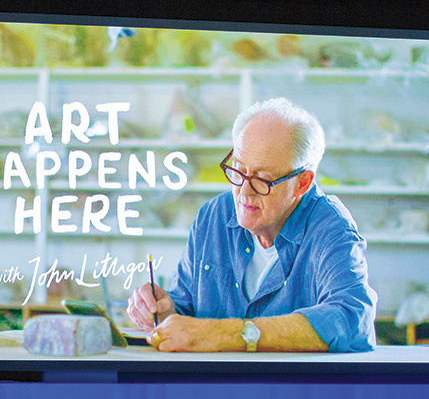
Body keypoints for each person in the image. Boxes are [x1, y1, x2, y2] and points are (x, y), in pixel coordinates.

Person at [127, 97, 377, 352]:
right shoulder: (213, 216)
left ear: (302, 183)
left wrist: (228, 334)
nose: (244, 192)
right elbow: (185, 307)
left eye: (262, 179)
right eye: (238, 170)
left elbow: (351, 319)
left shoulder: (331, 228)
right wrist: (166, 311)